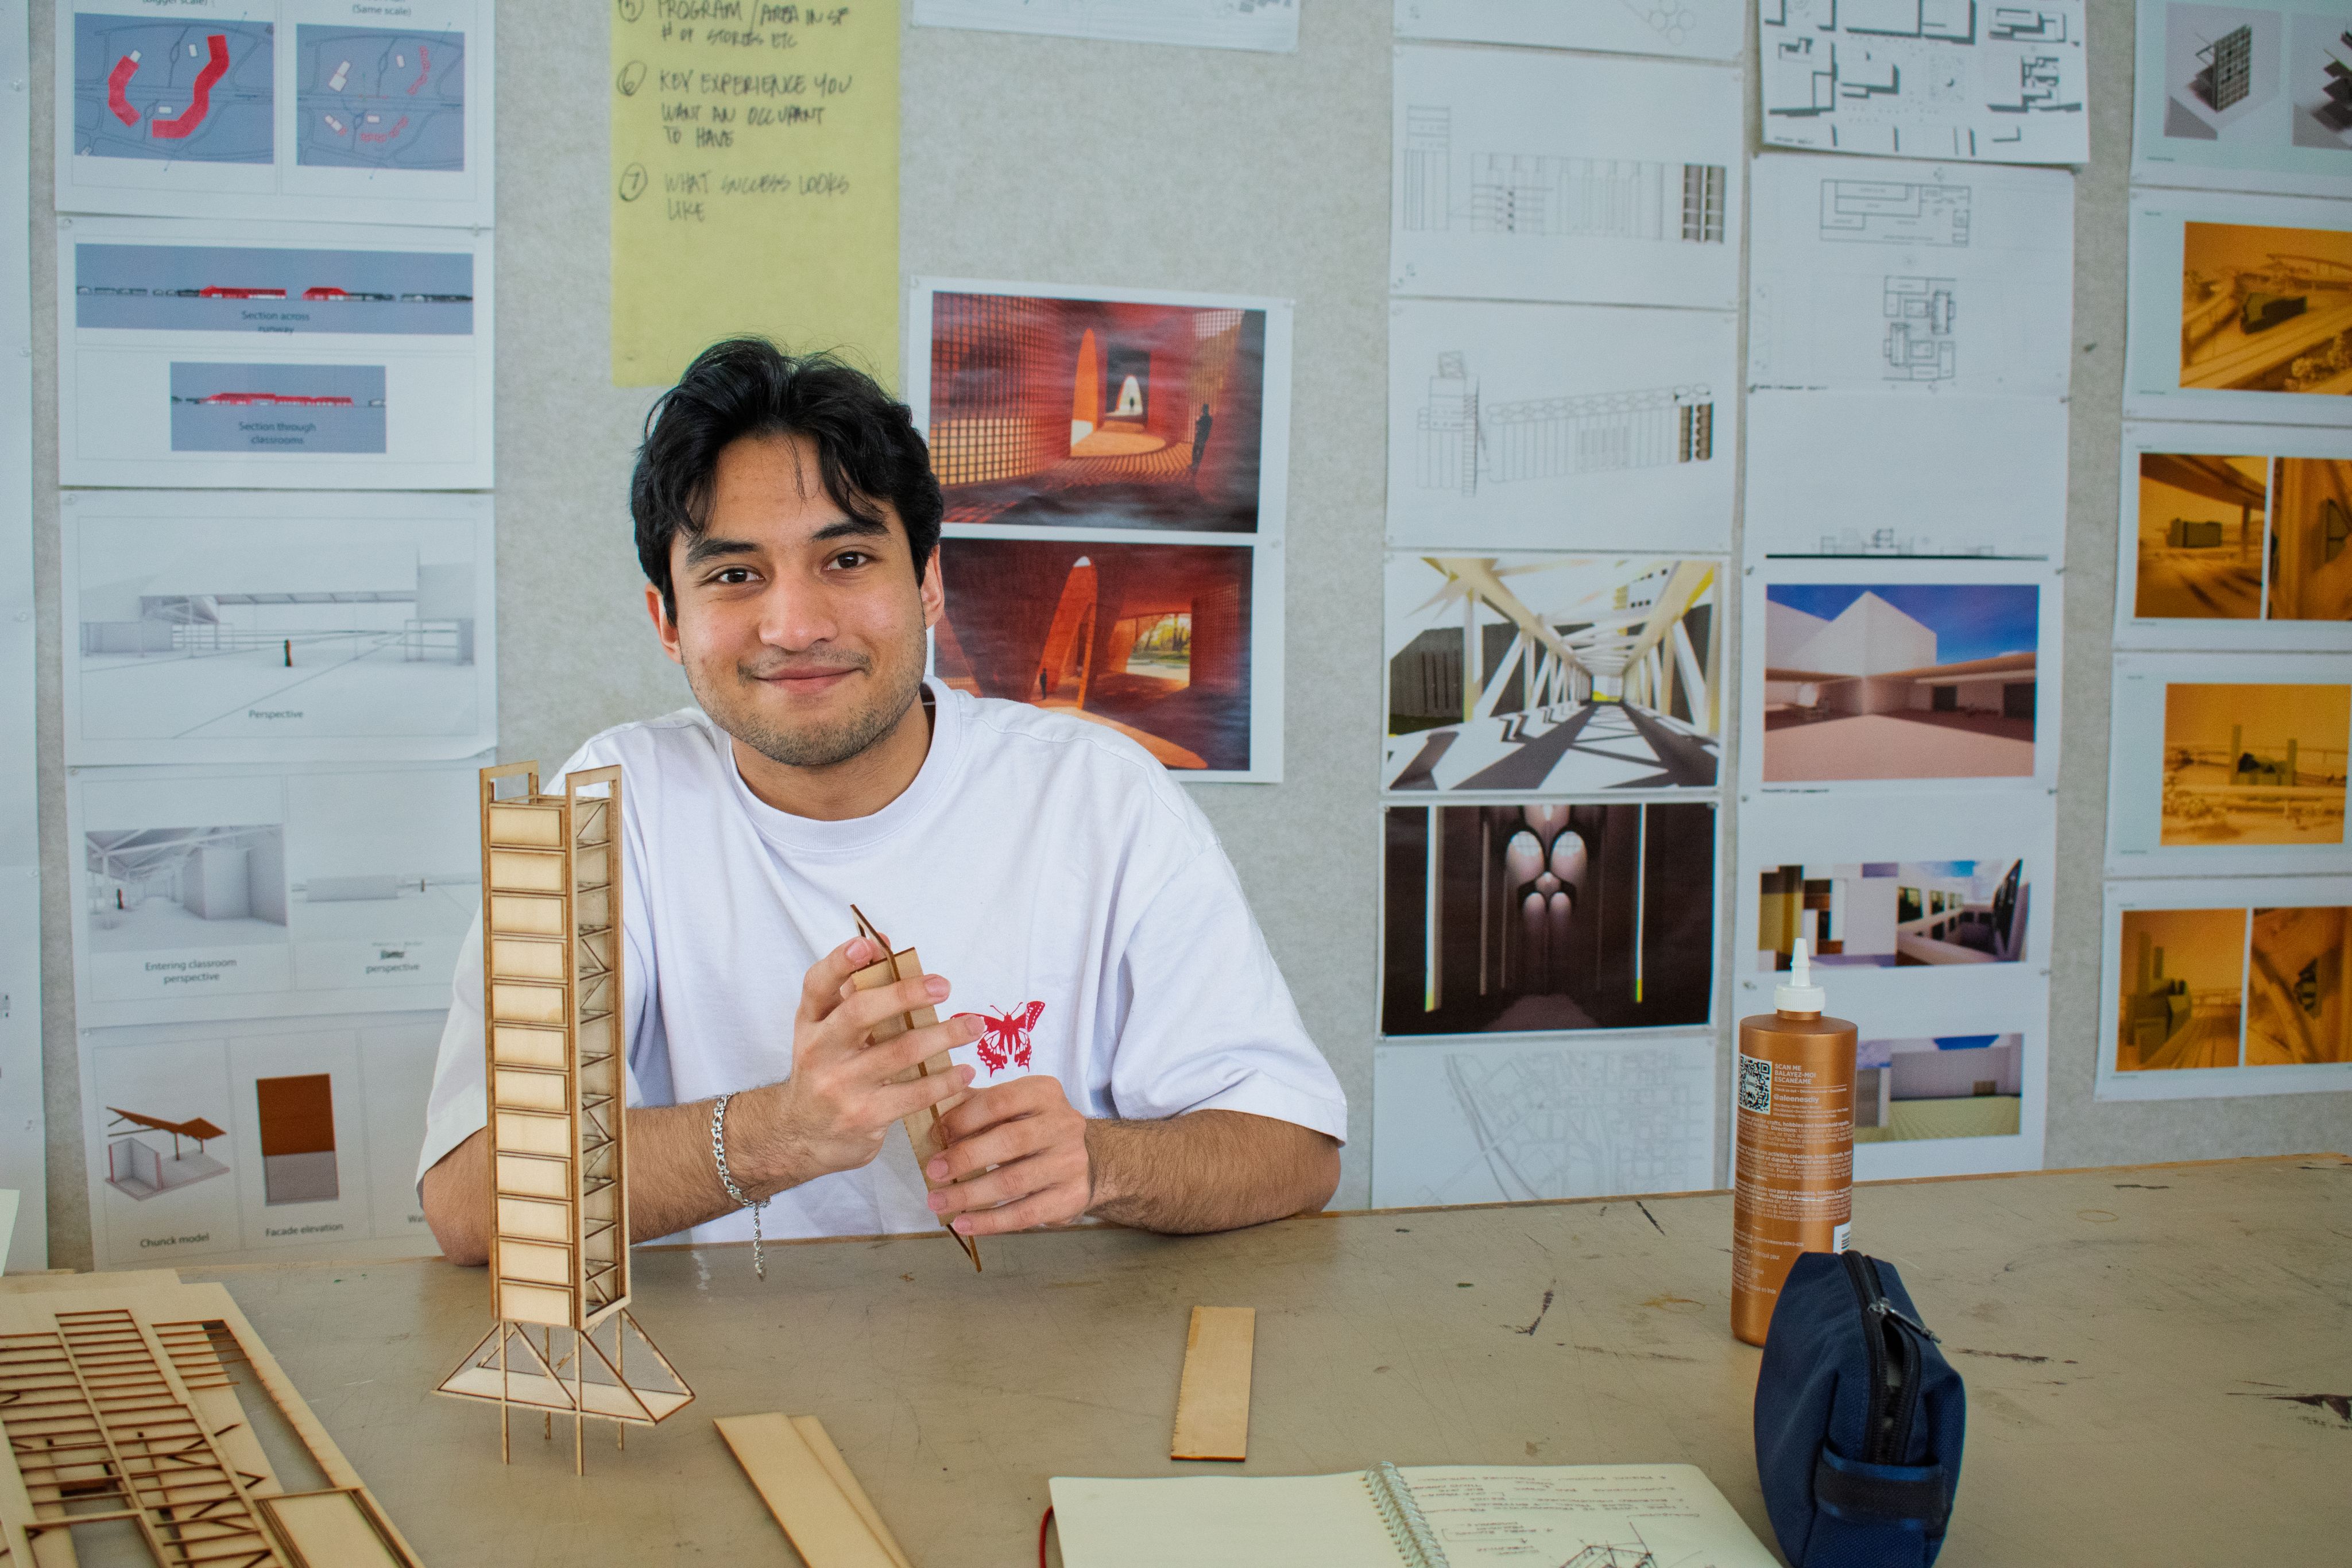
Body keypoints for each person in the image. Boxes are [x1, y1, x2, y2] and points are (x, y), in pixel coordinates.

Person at [416, 340, 1343, 1263]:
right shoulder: (596, 811)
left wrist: (1103, 1164)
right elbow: (469, 1198)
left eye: (849, 558)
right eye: (735, 575)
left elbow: (1294, 1151)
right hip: (726, 1377)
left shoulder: (1101, 794)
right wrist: (780, 1132)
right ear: (669, 621)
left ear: (929, 582)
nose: (797, 626)